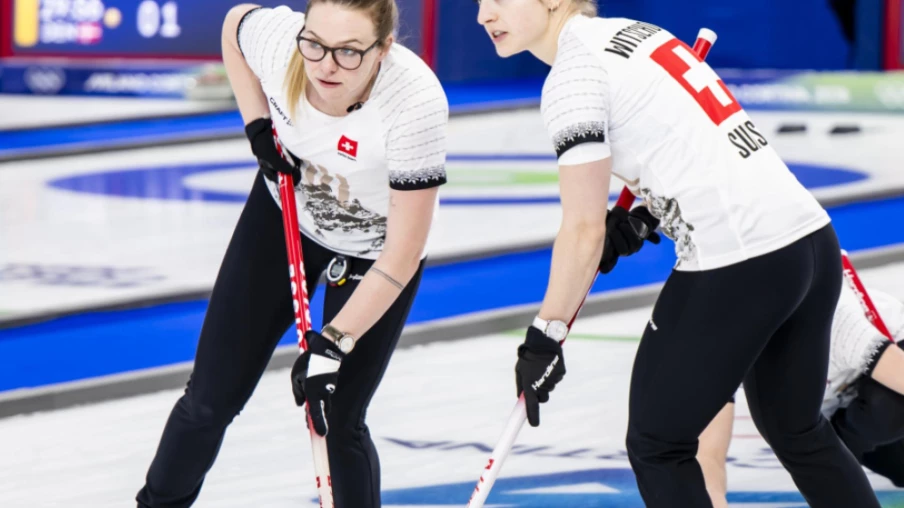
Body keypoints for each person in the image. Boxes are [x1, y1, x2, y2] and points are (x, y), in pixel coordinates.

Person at [473, 0, 881, 505]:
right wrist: (643, 216)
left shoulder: (573, 77)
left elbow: (582, 231)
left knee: (658, 445)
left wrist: (545, 335)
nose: (483, 15)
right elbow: (700, 152)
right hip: (809, 242)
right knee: (798, 432)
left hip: (741, 261)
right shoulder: (635, 33)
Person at [136, 1, 448, 506]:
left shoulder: (414, 103)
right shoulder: (282, 44)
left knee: (340, 420)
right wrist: (256, 123)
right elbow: (234, 25)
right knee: (208, 400)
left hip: (377, 253)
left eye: (349, 52)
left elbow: (404, 251)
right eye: (316, 44)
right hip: (283, 216)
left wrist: (335, 342)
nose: (325, 64)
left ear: (384, 49)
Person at [698, 282, 904, 507]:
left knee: (886, 409)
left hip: (890, 355)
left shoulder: (833, 322)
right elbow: (709, 455)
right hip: (841, 409)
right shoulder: (722, 352)